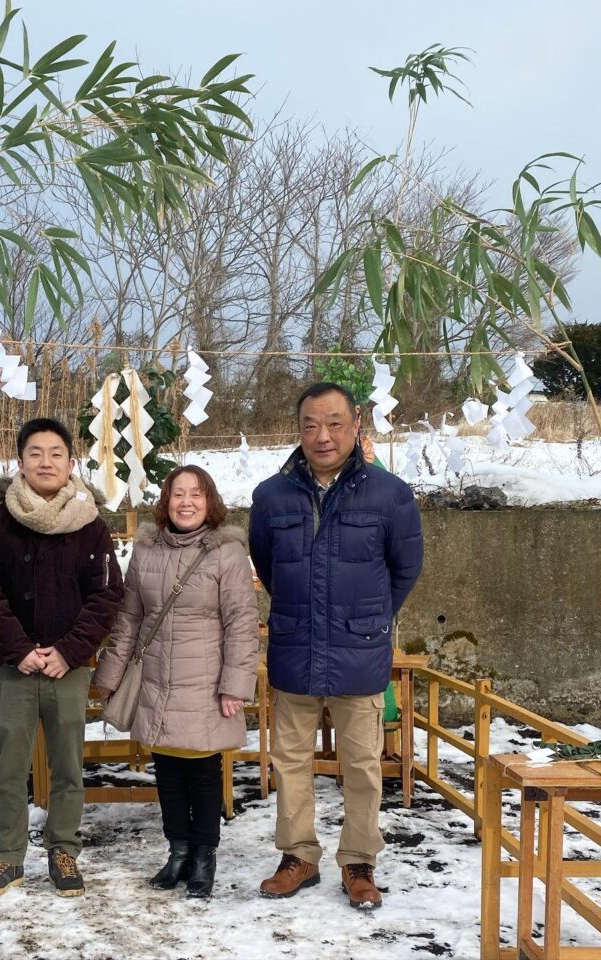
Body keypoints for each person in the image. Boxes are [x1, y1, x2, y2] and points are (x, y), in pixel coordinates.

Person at [249, 382, 423, 909]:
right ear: (298, 429)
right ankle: (298, 855)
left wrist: (367, 618)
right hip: (295, 648)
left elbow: (405, 569)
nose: (321, 436)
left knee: (363, 764)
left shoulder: (389, 494)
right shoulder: (270, 495)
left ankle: (359, 861)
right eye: (310, 425)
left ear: (355, 426)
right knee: (291, 760)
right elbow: (267, 565)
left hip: (359, 651)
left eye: (333, 423)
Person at [0, 417, 123, 897]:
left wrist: (70, 650)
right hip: (14, 666)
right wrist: (20, 650)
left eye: (56, 453)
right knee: (9, 764)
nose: (46, 462)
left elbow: (106, 595)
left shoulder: (91, 526)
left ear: (71, 463)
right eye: (35, 453)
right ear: (20, 462)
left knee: (68, 764)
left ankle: (63, 849)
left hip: (67, 668)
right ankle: (8, 855)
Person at [94, 466, 259, 898]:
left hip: (205, 680)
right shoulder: (147, 551)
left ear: (210, 502)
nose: (187, 502)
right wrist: (110, 675)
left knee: (203, 772)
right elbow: (129, 619)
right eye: (178, 494)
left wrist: (234, 685)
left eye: (197, 494)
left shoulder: (227, 553)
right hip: (156, 679)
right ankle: (178, 851)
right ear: (166, 501)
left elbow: (242, 623)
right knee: (167, 770)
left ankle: (204, 855)